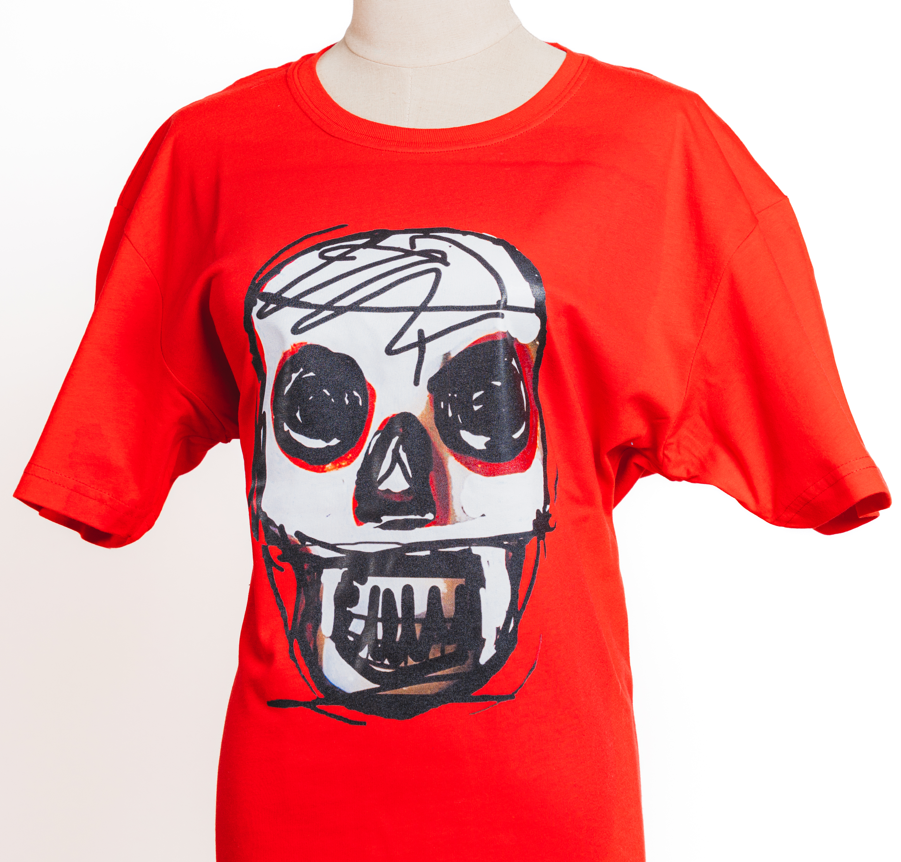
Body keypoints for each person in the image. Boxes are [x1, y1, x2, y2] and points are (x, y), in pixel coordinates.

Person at [13, 1, 891, 860]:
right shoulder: (206, 156)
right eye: (316, 412)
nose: (397, 491)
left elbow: (797, 438)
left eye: (482, 404)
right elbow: (106, 456)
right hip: (293, 811)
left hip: (553, 810)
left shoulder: (659, 150)